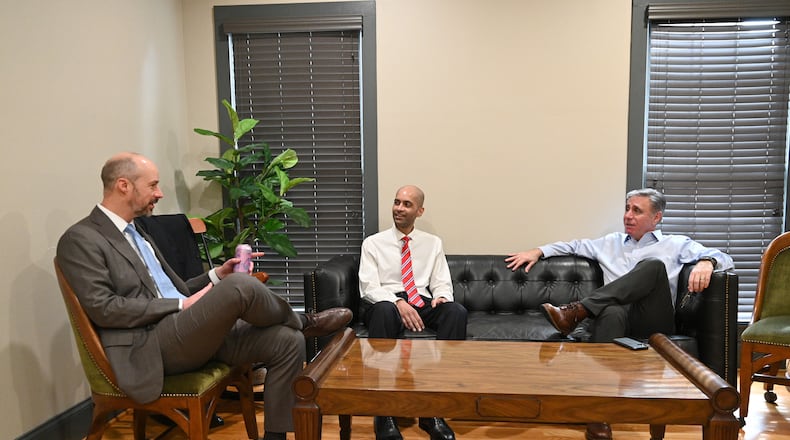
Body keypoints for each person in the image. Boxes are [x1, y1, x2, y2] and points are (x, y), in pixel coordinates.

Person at [56, 152, 352, 440]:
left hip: (186, 332)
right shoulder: (81, 239)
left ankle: (275, 434)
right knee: (240, 286)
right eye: (152, 185)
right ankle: (304, 320)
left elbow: (177, 289)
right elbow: (104, 309)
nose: (159, 194)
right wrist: (181, 304)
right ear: (123, 185)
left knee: (287, 341)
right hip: (149, 344)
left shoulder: (138, 233)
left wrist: (216, 275)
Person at [505, 187, 733, 440]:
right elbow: (572, 245)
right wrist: (538, 251)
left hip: (653, 321)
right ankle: (599, 416)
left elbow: (724, 257)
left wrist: (706, 262)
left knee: (653, 266)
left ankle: (578, 311)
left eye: (637, 210)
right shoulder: (609, 243)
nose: (628, 215)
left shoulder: (676, 244)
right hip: (617, 319)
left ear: (656, 218)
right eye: (627, 209)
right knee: (611, 310)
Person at [358, 185, 467, 440]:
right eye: (397, 202)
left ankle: (432, 410)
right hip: (384, 301)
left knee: (456, 312)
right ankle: (384, 412)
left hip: (420, 299)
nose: (399, 208)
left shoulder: (432, 243)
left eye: (407, 204)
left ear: (420, 210)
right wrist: (397, 302)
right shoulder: (373, 243)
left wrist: (442, 297)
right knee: (385, 311)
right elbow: (369, 287)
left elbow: (441, 281)